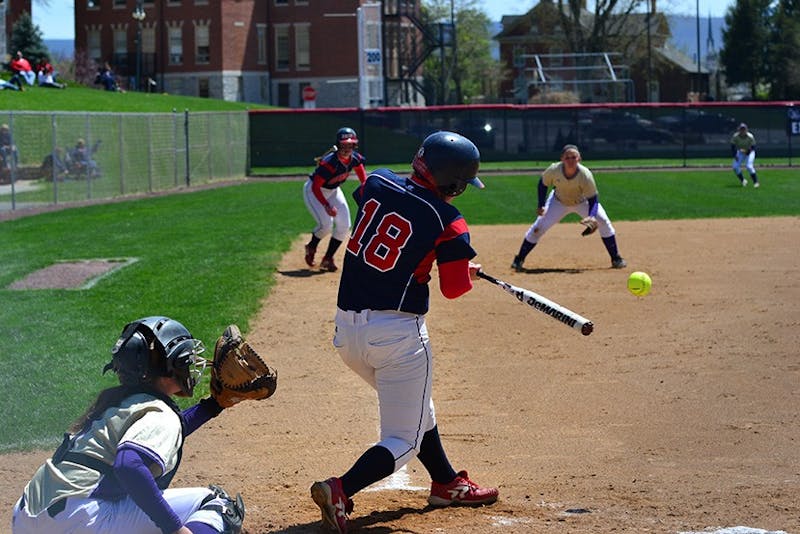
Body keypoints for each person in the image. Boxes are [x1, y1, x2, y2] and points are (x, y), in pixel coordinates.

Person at [310, 131, 498, 534]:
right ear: (451, 182)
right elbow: (453, 288)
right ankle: (340, 489)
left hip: (347, 332)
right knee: (404, 438)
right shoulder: (449, 222)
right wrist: (465, 270)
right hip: (397, 337)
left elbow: (390, 231)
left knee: (416, 409)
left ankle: (446, 482)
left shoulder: (376, 181)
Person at [12, 316, 246, 534]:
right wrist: (174, 529)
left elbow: (160, 433)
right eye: (187, 359)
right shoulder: (160, 413)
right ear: (173, 366)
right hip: (80, 521)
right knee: (218, 505)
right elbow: (129, 464)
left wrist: (213, 406)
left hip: (27, 518)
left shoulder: (120, 403)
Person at [511, 144, 626, 271]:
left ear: (579, 158)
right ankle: (519, 259)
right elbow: (542, 184)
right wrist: (541, 204)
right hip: (558, 201)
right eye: (567, 157)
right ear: (562, 159)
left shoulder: (585, 175)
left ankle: (616, 258)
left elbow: (593, 199)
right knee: (537, 228)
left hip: (582, 202)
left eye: (574, 157)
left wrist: (592, 217)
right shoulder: (554, 170)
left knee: (603, 222)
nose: (571, 160)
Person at [302, 127, 368, 272]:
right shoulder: (330, 162)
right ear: (338, 144)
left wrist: (366, 190)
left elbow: (363, 178)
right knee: (326, 225)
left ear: (354, 145)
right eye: (344, 145)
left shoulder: (355, 158)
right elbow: (316, 187)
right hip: (315, 191)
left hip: (333, 191)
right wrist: (326, 206)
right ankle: (311, 246)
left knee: (344, 225)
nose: (347, 148)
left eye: (350, 145)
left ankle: (328, 258)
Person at [730, 122, 760, 188]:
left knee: (749, 166)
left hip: (750, 152)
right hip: (740, 152)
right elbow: (733, 146)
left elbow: (753, 147)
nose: (742, 131)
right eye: (741, 129)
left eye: (744, 129)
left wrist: (747, 151)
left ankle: (756, 182)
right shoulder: (735, 136)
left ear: (746, 130)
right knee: (735, 166)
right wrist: (735, 155)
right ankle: (743, 180)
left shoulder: (750, 136)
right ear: (739, 130)